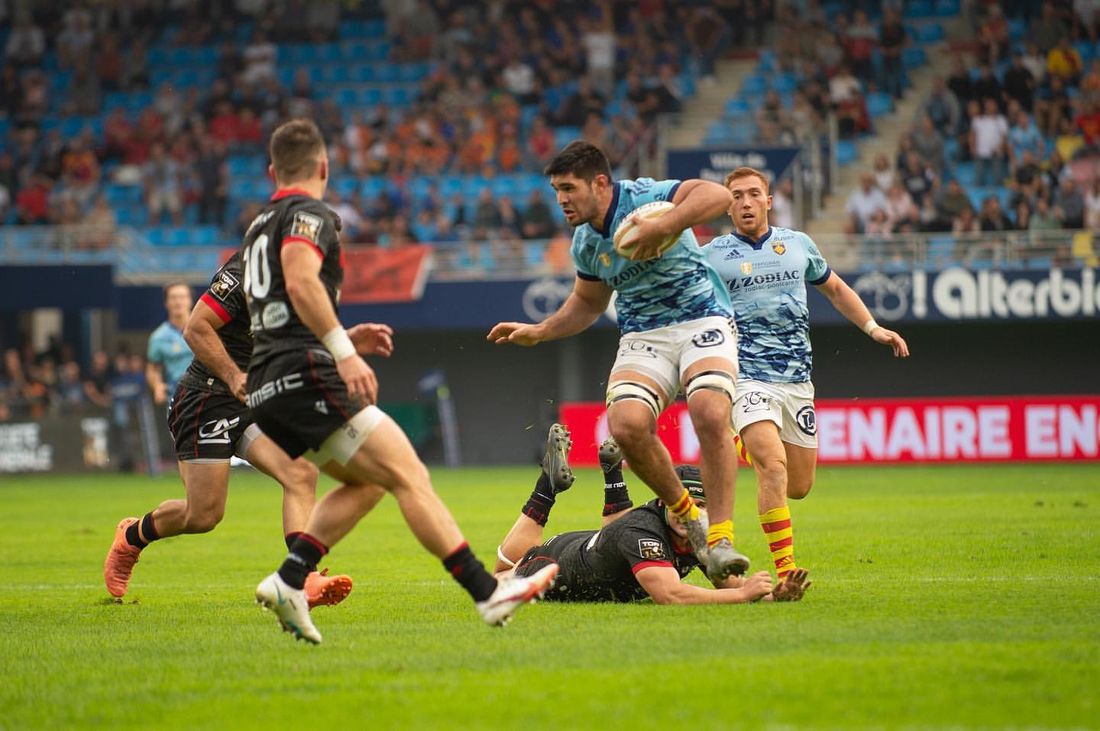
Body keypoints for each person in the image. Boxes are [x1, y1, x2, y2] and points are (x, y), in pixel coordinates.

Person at [246, 119, 557, 644]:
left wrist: (342, 335)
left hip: (268, 382)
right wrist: (343, 352)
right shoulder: (310, 213)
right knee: (409, 473)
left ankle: (289, 579)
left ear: (273, 171)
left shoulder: (261, 223)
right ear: (324, 167)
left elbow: (282, 309)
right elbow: (299, 280)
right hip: (305, 375)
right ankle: (488, 592)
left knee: (369, 482)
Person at [487, 140, 749, 581]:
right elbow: (587, 303)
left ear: (601, 182)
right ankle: (686, 515)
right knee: (625, 426)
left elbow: (717, 197)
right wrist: (542, 330)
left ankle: (720, 537)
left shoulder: (645, 196)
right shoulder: (586, 243)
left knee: (708, 410)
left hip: (701, 318)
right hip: (643, 335)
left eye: (569, 188)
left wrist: (664, 224)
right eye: (556, 190)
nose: (561, 200)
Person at [103, 252, 371, 608]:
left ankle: (301, 577)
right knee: (203, 516)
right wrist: (233, 376)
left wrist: (347, 346)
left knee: (300, 471)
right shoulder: (244, 270)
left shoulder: (305, 281)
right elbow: (195, 328)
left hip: (252, 399)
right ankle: (132, 537)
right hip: (206, 399)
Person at [702, 167, 910, 580]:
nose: (745, 202)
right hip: (746, 378)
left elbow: (835, 289)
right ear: (727, 206)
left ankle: (736, 444)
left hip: (796, 380)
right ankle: (786, 570)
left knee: (797, 484)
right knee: (773, 466)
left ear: (769, 200)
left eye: (753, 194)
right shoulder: (712, 256)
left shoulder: (797, 245)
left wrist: (873, 327)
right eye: (737, 196)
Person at [495, 425, 811, 605]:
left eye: (702, 507)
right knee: (498, 579)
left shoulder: (699, 529)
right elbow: (669, 594)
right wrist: (743, 595)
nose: (689, 513)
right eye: (682, 504)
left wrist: (772, 596)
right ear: (665, 501)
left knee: (616, 537)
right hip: (557, 566)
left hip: (599, 543)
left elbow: (724, 581)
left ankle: (605, 476)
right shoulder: (643, 532)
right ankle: (546, 488)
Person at [146, 282, 194, 408]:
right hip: (178, 398)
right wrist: (157, 386)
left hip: (208, 393)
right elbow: (153, 368)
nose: (178, 302)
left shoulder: (205, 328)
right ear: (166, 303)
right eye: (173, 298)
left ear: (190, 300)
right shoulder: (158, 337)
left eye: (182, 297)